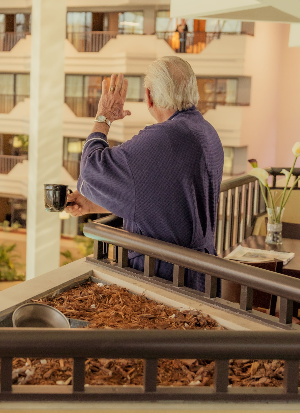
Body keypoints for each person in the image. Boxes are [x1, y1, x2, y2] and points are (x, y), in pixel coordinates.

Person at [66, 56, 224, 292]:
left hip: (164, 278)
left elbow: (91, 168)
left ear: (149, 97)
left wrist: (104, 117)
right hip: (201, 273)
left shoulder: (164, 139)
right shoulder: (205, 131)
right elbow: (159, 200)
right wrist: (91, 205)